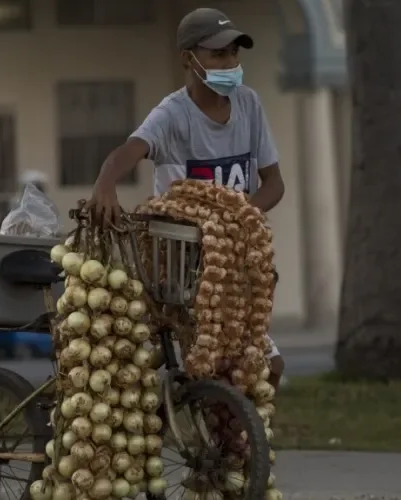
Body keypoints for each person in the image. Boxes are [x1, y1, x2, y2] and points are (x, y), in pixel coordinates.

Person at [86, 7, 286, 389]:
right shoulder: (173, 114)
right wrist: (105, 183)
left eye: (233, 54)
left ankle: (235, 443)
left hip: (235, 260)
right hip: (182, 266)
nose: (229, 63)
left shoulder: (249, 104)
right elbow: (130, 150)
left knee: (269, 368)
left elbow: (274, 184)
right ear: (188, 59)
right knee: (205, 367)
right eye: (218, 54)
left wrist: (236, 218)